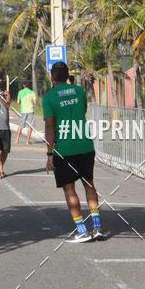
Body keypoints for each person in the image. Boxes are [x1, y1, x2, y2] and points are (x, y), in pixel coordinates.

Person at [43, 61, 110, 243]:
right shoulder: (79, 91)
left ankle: (82, 230)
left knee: (69, 188)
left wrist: (49, 154)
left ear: (52, 77)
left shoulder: (49, 97)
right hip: (85, 145)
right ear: (67, 76)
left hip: (64, 150)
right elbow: (83, 110)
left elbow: (50, 126)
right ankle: (97, 227)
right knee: (89, 184)